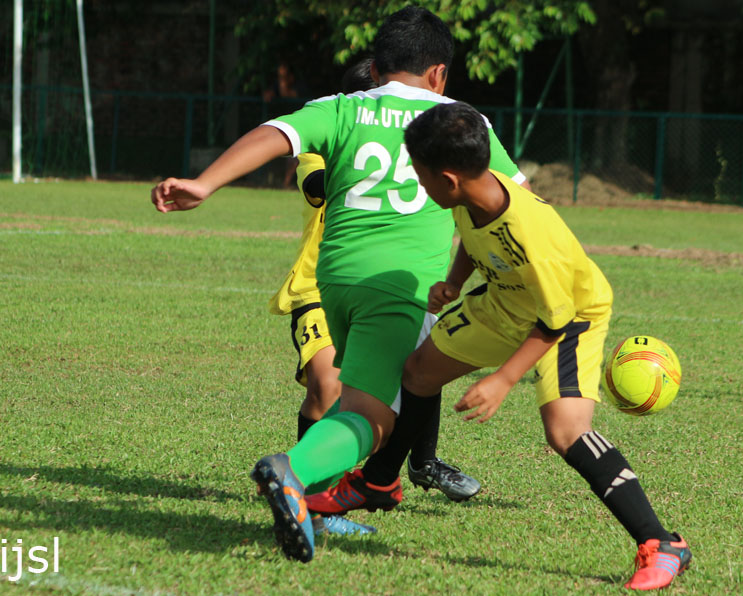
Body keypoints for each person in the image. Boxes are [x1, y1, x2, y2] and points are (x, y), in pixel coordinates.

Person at [151, 6, 528, 563]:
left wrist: (205, 184)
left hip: (335, 280)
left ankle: (315, 497)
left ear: (375, 67)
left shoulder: (342, 107)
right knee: (372, 420)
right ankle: (292, 471)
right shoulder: (459, 121)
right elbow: (516, 198)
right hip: (401, 286)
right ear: (439, 73)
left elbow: (276, 133)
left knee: (363, 399)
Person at [398, 101, 691, 591]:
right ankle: (378, 483)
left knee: (566, 431)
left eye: (420, 173)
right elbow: (474, 236)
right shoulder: (475, 193)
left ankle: (662, 543)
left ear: (448, 179)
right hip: (508, 300)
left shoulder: (533, 232)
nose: (418, 181)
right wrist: (455, 281)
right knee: (418, 373)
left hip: (570, 315)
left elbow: (556, 320)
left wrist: (502, 380)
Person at [274, 57, 480, 508]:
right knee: (327, 388)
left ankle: (415, 463)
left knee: (417, 368)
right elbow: (317, 186)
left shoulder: (417, 149)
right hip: (318, 287)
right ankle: (306, 488)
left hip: (386, 285)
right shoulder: (326, 140)